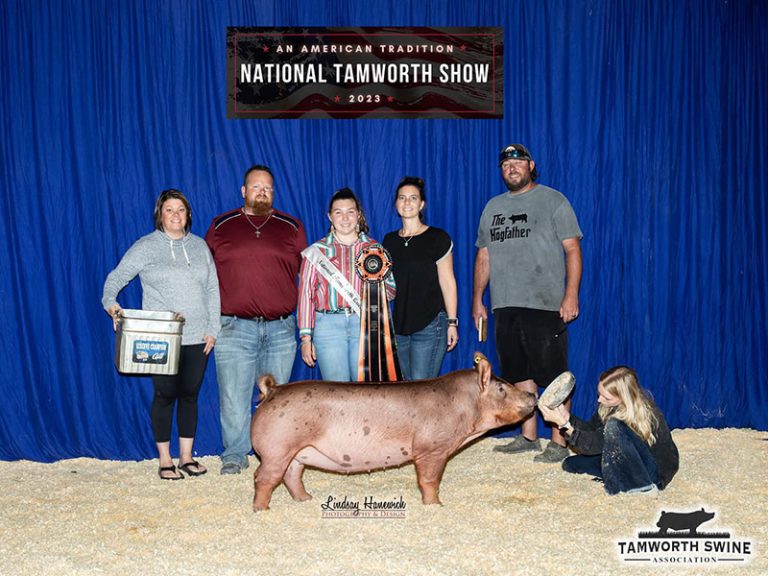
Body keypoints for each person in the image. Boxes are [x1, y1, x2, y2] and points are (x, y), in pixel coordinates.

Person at [473, 144, 583, 463]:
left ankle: (559, 441)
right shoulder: (492, 207)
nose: (512, 168)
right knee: (518, 374)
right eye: (506, 164)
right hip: (504, 304)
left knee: (554, 376)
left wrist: (571, 294)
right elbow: (484, 256)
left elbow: (572, 249)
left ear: (531, 166)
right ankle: (528, 436)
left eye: (518, 162)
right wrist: (478, 299)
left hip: (545, 304)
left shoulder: (553, 200)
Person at [102, 189, 220, 480]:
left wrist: (213, 328)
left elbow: (212, 288)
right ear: (160, 215)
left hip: (198, 336)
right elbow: (116, 278)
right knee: (165, 395)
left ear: (188, 214)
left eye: (180, 209)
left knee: (190, 395)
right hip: (161, 337)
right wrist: (111, 304)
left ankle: (187, 458)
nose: (175, 215)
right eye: (169, 209)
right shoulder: (146, 246)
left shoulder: (200, 246)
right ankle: (165, 460)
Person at [205, 165, 307, 475]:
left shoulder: (291, 226)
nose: (262, 192)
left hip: (280, 328)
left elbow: (306, 277)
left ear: (273, 192)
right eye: (256, 186)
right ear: (243, 191)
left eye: (268, 188)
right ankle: (235, 455)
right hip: (234, 326)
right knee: (233, 397)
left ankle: (274, 454)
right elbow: (204, 276)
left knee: (277, 399)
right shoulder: (221, 225)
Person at [298, 188, 395, 381]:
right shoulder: (316, 252)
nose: (345, 218)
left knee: (365, 391)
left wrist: (374, 291)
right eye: (338, 212)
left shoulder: (374, 249)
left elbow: (391, 290)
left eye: (350, 212)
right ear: (330, 216)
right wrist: (306, 338)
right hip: (328, 326)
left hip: (365, 325)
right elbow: (305, 296)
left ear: (358, 215)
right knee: (337, 391)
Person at [539, 366, 679, 495]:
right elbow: (592, 431)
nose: (600, 399)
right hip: (625, 461)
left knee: (613, 425)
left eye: (606, 397)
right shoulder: (609, 407)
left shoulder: (641, 414)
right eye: (599, 394)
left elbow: (593, 446)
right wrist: (568, 419)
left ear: (624, 397)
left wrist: (564, 425)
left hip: (652, 473)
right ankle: (617, 477)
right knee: (570, 464)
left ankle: (643, 487)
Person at [382, 176, 458, 380]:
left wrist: (452, 322)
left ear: (422, 204)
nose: (407, 202)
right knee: (406, 389)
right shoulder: (389, 241)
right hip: (399, 325)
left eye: (413, 198)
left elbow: (448, 282)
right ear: (396, 203)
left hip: (430, 323)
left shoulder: (437, 238)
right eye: (402, 198)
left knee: (421, 387)